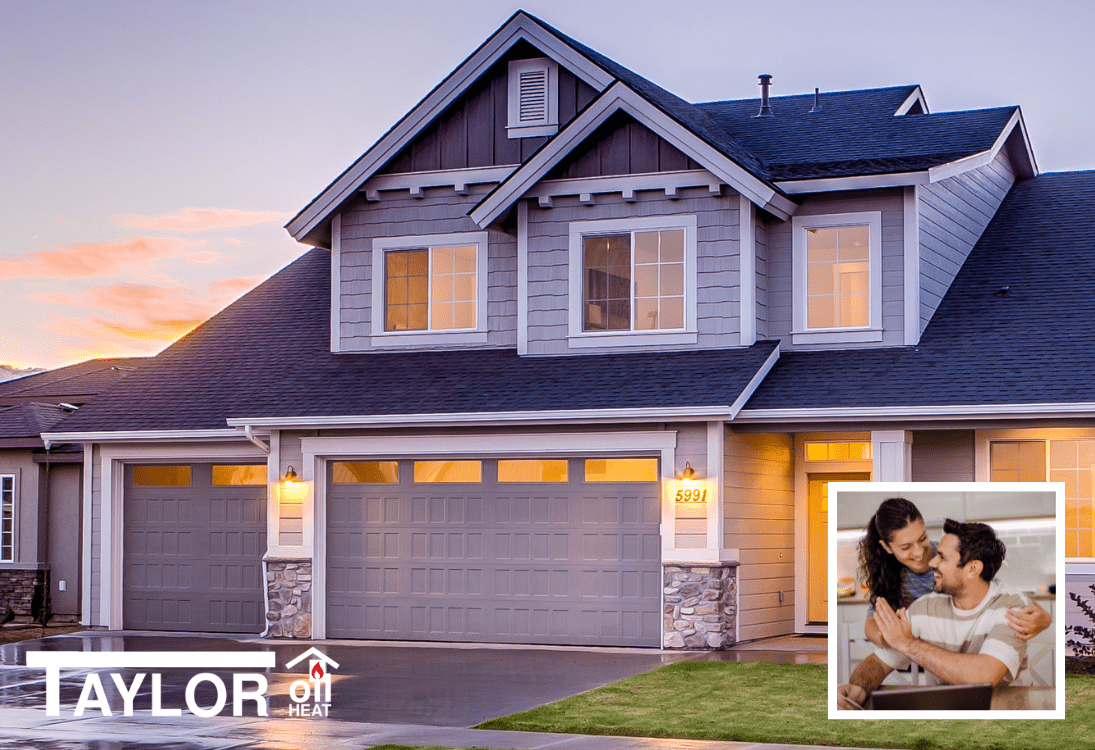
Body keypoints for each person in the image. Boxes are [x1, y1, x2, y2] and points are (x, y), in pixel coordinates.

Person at [838, 519, 1033, 710]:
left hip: (1007, 709)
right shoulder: (924, 607)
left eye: (942, 557)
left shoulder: (1012, 608)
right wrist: (858, 688)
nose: (931, 562)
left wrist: (908, 643)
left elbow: (984, 676)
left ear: (973, 569)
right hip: (945, 712)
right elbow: (878, 663)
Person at [858, 498, 1049, 647]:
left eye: (922, 538)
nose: (919, 552)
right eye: (905, 547)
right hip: (919, 659)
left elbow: (991, 589)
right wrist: (894, 641)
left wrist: (1044, 617)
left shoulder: (949, 555)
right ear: (887, 547)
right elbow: (871, 624)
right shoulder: (887, 573)